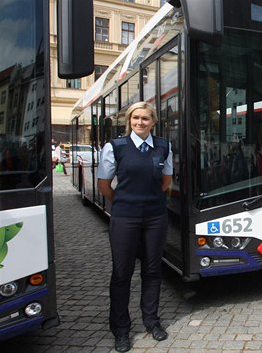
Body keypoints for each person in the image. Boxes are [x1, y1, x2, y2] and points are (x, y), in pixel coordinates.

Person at [97, 101, 173, 352]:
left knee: (152, 271)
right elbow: (105, 185)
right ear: (129, 120)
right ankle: (120, 330)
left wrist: (147, 202)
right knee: (122, 274)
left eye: (145, 118)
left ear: (153, 122)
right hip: (125, 217)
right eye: (135, 118)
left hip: (155, 217)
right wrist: (125, 203)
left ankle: (151, 321)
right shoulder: (115, 147)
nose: (140, 122)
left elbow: (165, 181)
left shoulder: (163, 146)